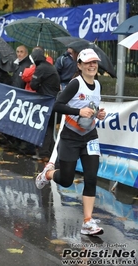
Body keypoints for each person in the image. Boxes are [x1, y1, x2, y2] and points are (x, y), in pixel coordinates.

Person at [35, 48, 107, 236]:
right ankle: (48, 174)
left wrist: (98, 113)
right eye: (88, 62)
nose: (92, 65)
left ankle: (87, 221)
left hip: (90, 136)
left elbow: (92, 107)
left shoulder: (97, 85)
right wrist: (78, 112)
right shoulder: (76, 84)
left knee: (91, 177)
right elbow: (57, 105)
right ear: (80, 65)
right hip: (70, 137)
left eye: (95, 62)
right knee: (66, 180)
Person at [29, 48, 61, 161]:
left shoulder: (41, 68)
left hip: (48, 102)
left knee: (46, 128)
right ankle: (49, 153)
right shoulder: (48, 66)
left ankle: (44, 154)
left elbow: (33, 85)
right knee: (50, 128)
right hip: (53, 100)